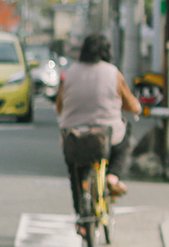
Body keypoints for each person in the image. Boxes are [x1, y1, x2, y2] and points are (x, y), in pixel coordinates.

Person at [53, 33, 140, 220]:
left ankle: (81, 218)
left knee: (75, 171)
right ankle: (112, 177)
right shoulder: (112, 72)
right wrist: (136, 108)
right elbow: (130, 104)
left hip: (73, 135)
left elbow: (59, 106)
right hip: (106, 134)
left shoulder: (69, 73)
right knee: (124, 136)